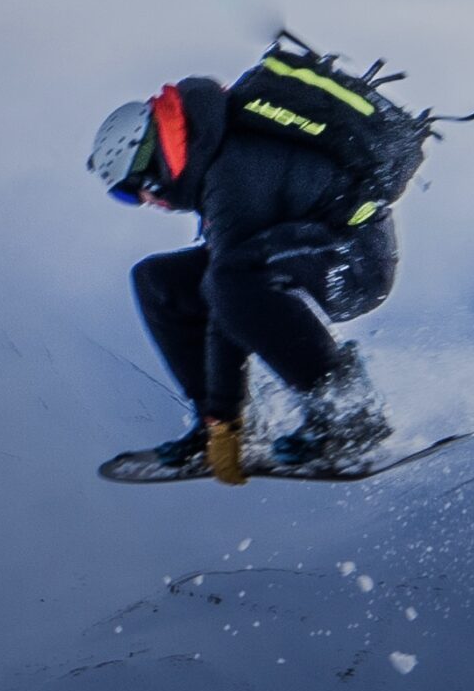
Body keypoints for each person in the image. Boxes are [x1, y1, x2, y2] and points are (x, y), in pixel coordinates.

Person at [89, 74, 396, 485]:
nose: (143, 202)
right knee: (156, 281)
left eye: (130, 192)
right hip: (298, 252)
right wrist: (218, 422)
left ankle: (349, 412)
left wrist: (225, 421)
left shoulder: (230, 173)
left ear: (147, 165)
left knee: (229, 281)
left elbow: (227, 298)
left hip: (354, 262)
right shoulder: (214, 155)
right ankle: (213, 427)